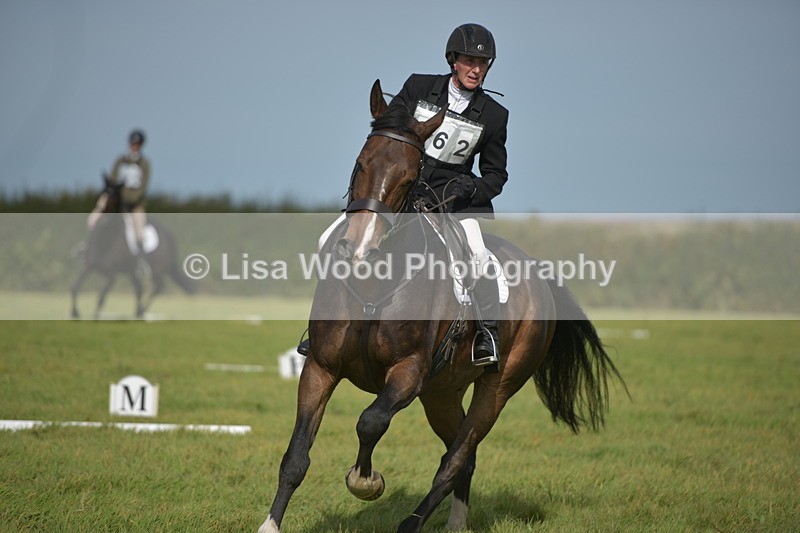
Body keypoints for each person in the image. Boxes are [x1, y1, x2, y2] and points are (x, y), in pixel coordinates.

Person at [299, 23, 508, 367]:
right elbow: (389, 131)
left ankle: (486, 336)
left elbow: (496, 174)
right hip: (400, 193)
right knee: (328, 241)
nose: (476, 69)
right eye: (470, 60)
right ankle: (323, 328)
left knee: (481, 258)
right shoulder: (418, 87)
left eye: (483, 63)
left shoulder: (495, 116)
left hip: (451, 203)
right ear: (453, 60)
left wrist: (470, 186)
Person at [88, 129, 151, 262]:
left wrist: (130, 199)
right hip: (116, 202)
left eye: (137, 144)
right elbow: (113, 179)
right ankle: (88, 249)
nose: (134, 147)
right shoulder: (120, 161)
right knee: (93, 219)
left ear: (141, 145)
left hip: (133, 205)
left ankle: (140, 260)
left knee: (139, 232)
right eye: (133, 144)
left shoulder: (144, 163)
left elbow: (143, 186)